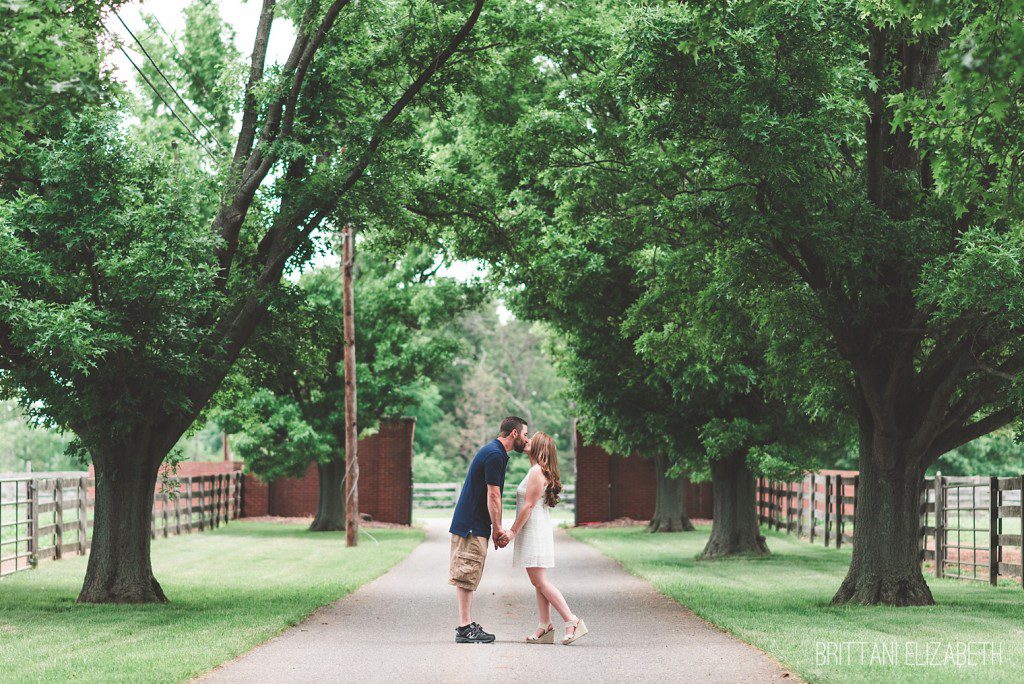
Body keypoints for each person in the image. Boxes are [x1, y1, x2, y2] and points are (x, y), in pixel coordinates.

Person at [501, 431, 588, 645]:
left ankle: (571, 620)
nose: (527, 440)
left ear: (540, 448)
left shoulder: (536, 471)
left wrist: (511, 532)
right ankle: (545, 625)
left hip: (534, 531)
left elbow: (529, 505)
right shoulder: (537, 470)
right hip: (535, 529)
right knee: (538, 581)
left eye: (532, 440)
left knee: (540, 581)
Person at [449, 416, 529, 644]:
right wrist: (498, 529)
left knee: (469, 573)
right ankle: (464, 628)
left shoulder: (495, 452)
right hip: (471, 526)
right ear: (514, 433)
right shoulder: (494, 454)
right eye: (524, 434)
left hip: (474, 524)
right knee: (466, 574)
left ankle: (466, 624)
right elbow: (493, 495)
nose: (526, 438)